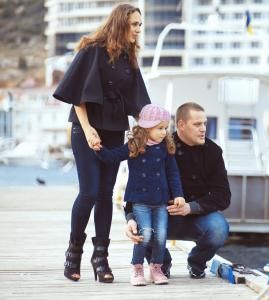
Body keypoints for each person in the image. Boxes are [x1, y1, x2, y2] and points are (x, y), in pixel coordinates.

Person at [53, 3, 150, 283]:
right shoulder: (91, 49)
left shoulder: (129, 56)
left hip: (114, 129)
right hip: (86, 129)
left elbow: (139, 101)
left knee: (106, 195)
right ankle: (74, 253)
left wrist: (154, 128)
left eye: (140, 25)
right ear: (120, 23)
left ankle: (101, 259)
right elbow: (75, 95)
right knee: (90, 192)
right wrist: (88, 130)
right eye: (134, 24)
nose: (138, 30)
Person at [125, 102, 231, 279]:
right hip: (162, 217)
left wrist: (192, 207)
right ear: (181, 125)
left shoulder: (213, 152)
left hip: (199, 217)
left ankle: (196, 264)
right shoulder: (156, 148)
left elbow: (223, 196)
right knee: (143, 224)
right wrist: (129, 219)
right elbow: (136, 189)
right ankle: (161, 265)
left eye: (205, 123)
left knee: (219, 228)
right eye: (197, 124)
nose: (203, 129)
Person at [95, 104, 185, 286]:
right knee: (144, 234)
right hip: (140, 201)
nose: (163, 132)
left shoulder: (165, 148)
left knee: (160, 235)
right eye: (160, 128)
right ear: (146, 127)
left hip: (160, 201)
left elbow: (173, 173)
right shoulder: (133, 145)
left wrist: (178, 194)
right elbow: (112, 157)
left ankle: (156, 268)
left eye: (165, 128)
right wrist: (98, 148)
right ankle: (137, 269)